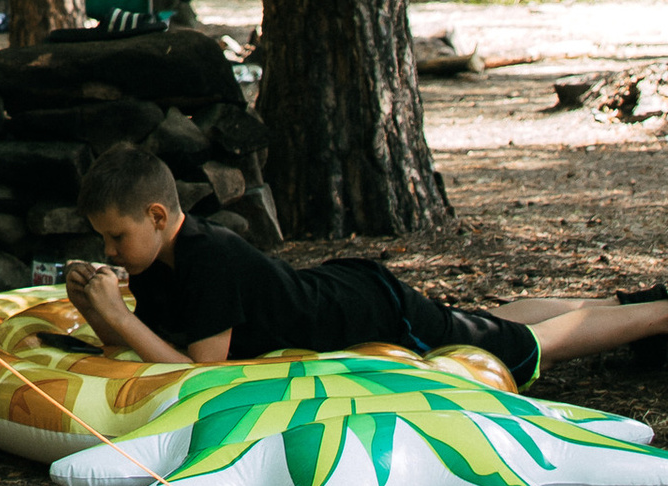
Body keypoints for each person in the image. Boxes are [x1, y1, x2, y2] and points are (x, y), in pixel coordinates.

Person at [67, 141, 668, 389]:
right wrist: (96, 311)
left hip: (368, 314)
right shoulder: (158, 260)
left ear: (154, 214)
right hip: (341, 289)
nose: (110, 254)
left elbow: (200, 378)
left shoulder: (208, 258)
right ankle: (620, 302)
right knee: (481, 320)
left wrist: (118, 320)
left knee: (522, 344)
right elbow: (151, 342)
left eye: (116, 238)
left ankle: (658, 313)